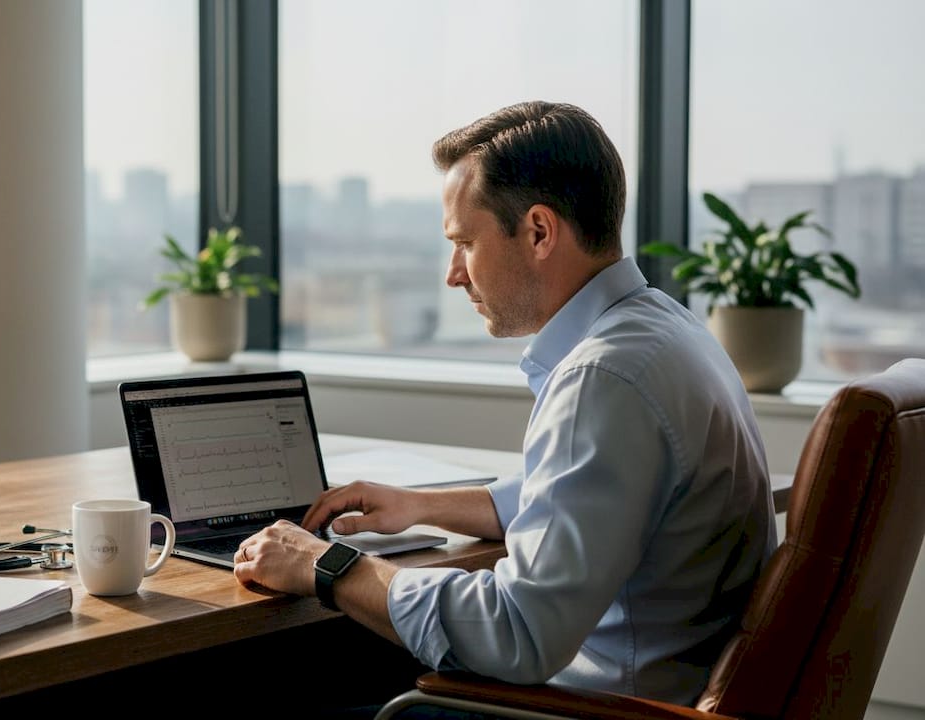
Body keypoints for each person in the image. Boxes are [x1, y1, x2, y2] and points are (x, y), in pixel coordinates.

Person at [232, 100, 778, 711]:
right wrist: (422, 506)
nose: (453, 274)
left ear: (539, 231)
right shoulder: (668, 332)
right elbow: (583, 496)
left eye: (465, 242)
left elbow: (519, 634)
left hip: (599, 713)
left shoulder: (603, 379)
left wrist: (328, 565)